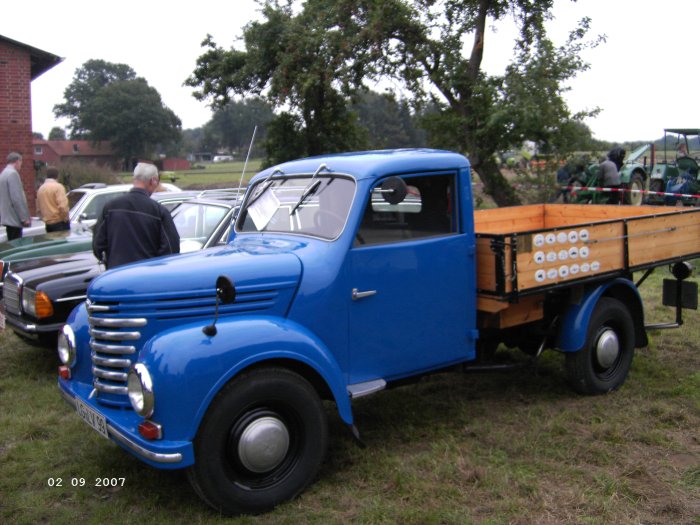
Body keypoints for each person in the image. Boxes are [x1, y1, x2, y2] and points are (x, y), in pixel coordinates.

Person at [93, 162, 180, 269]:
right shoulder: (159, 212)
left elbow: (97, 245)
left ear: (134, 180)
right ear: (153, 181)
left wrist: (109, 261)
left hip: (115, 275)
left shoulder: (110, 208)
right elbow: (171, 249)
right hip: (146, 276)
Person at [0, 152, 31, 240]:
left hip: (6, 216)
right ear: (17, 161)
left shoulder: (3, 174)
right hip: (14, 218)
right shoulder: (13, 174)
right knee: (16, 244)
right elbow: (17, 198)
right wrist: (24, 217)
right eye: (21, 162)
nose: (21, 165)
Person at [36, 166, 70, 232]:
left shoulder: (41, 188)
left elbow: (38, 207)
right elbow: (63, 206)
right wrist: (65, 218)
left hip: (48, 223)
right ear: (57, 176)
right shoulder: (58, 187)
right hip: (59, 222)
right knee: (61, 241)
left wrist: (43, 217)